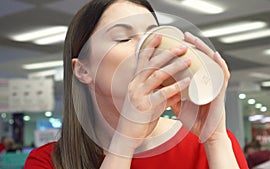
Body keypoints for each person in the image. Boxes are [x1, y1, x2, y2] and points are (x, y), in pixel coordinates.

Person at [24, 0, 248, 168]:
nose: (148, 47)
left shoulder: (208, 144)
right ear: (83, 70)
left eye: (153, 35)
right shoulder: (47, 161)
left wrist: (215, 140)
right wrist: (124, 145)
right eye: (123, 38)